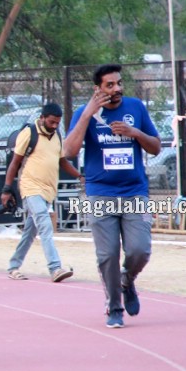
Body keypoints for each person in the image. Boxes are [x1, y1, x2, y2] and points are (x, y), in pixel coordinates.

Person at [63, 64, 161, 329]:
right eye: (110, 85)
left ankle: (126, 281)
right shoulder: (84, 113)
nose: (117, 89)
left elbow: (156, 147)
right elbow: (68, 151)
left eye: (119, 83)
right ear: (98, 89)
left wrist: (135, 133)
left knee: (140, 250)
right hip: (100, 194)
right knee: (107, 256)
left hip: (134, 193)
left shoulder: (136, 107)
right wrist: (87, 115)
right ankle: (114, 307)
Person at [4, 103, 83, 282]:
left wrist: (79, 176)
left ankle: (13, 266)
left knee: (30, 232)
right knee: (45, 224)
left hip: (48, 191)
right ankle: (55, 268)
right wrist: (6, 189)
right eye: (51, 122)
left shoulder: (57, 136)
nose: (54, 126)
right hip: (30, 188)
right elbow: (15, 163)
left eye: (57, 123)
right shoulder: (29, 133)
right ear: (42, 117)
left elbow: (62, 162)